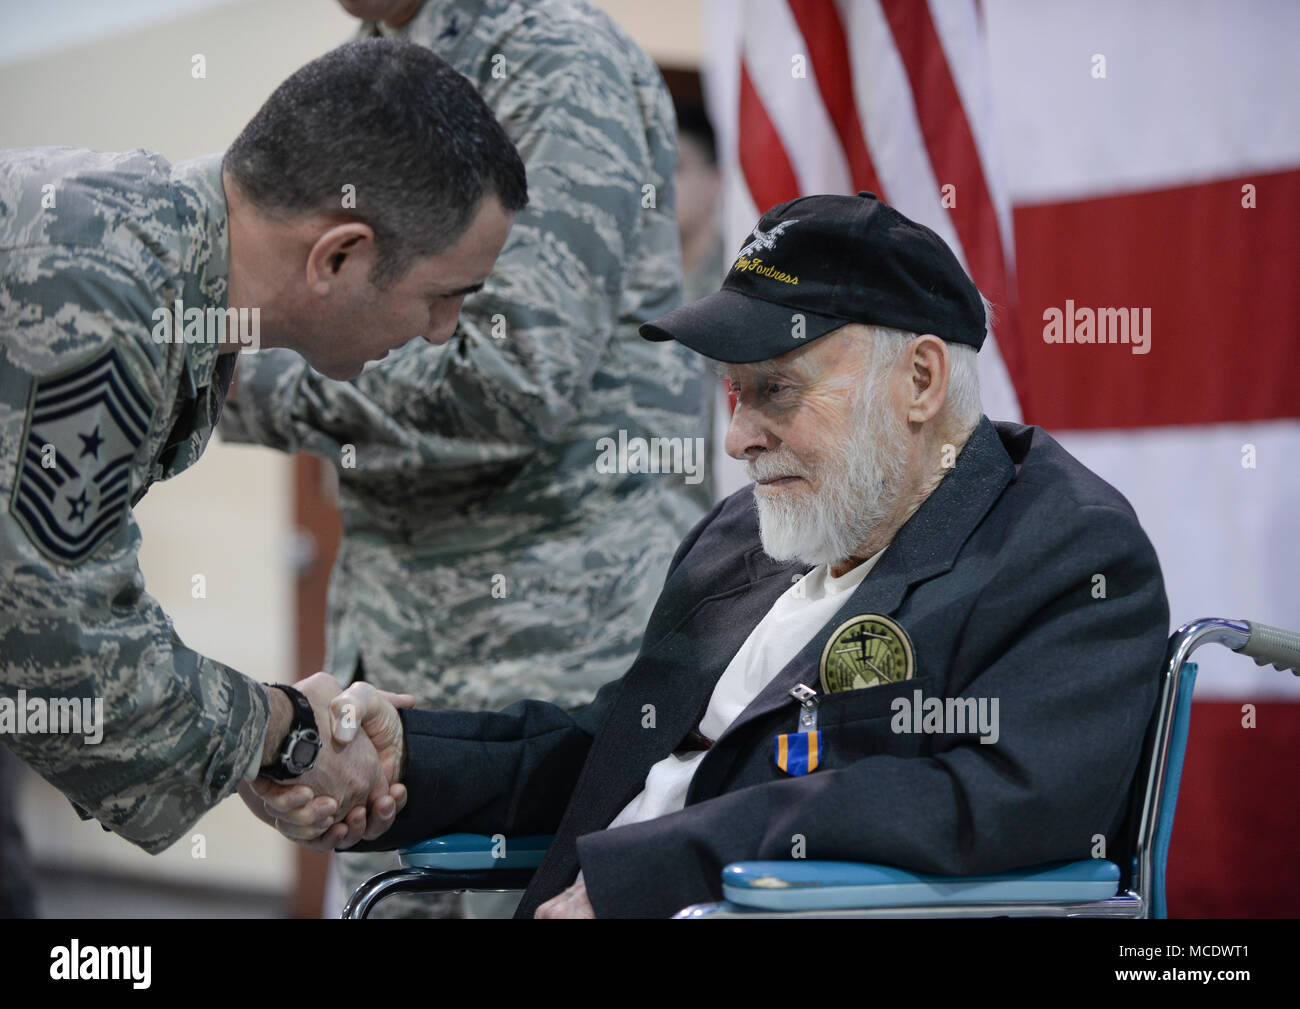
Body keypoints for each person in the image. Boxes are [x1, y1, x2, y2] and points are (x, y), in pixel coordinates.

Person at [252, 192, 1172, 918]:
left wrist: (655, 874)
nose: (738, 438)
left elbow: (1001, 801)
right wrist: (412, 752)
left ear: (921, 380)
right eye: (732, 394)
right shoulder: (746, 537)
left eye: (775, 390)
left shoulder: (1066, 550)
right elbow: (621, 747)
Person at [221, 0, 713, 915]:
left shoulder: (554, 58)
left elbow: (506, 379)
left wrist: (236, 378)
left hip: (553, 647)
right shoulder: (367, 67)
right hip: (392, 646)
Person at [0, 38, 525, 855]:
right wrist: (284, 731)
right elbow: (57, 644)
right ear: (340, 255)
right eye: (442, 296)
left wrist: (266, 736)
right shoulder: (99, 290)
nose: (442, 333)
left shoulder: (159, 263)